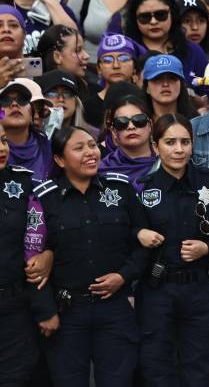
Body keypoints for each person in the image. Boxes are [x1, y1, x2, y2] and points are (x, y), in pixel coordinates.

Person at [25, 126, 148, 387]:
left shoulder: (121, 188)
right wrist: (44, 310)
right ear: (59, 159)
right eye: (79, 148)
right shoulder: (43, 198)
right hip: (67, 312)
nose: (90, 152)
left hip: (115, 308)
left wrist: (123, 276)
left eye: (92, 145)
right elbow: (32, 260)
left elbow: (143, 242)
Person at [134, 114, 209, 386]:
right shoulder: (143, 187)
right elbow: (126, 237)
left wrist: (207, 247)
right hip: (157, 288)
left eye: (185, 142)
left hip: (198, 287)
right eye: (170, 142)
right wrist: (138, 233)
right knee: (156, 362)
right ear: (155, 146)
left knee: (202, 360)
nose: (178, 149)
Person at [0, 118, 38, 385]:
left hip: (13, 302)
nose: (2, 147)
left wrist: (45, 255)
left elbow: (47, 234)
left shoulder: (22, 184)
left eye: (3, 140)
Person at [100, 93, 156, 190]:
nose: (131, 127)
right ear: (113, 131)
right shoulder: (101, 169)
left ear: (150, 125)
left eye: (139, 120)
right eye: (122, 122)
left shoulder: (164, 165)